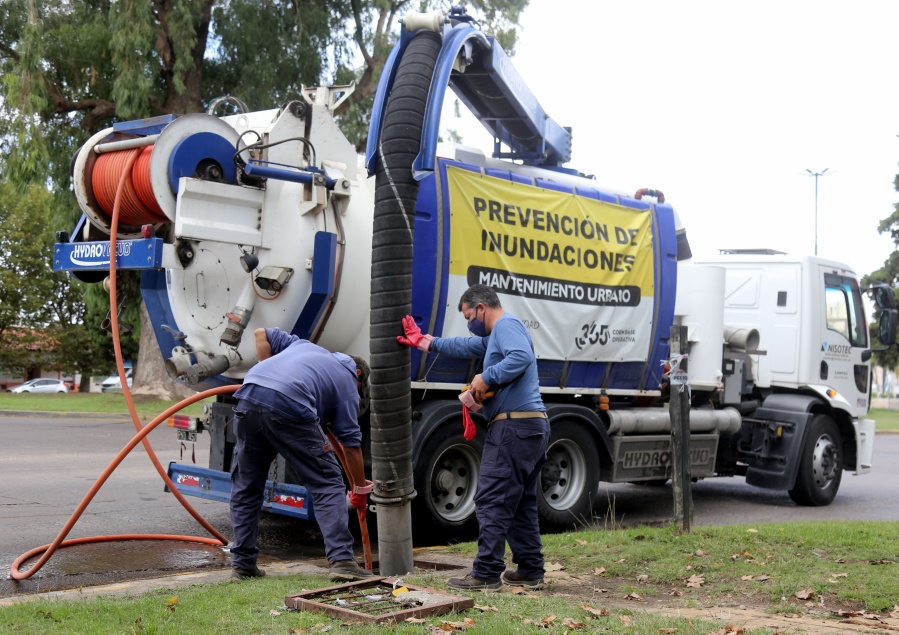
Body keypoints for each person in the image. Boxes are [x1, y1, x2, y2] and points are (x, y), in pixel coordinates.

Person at [397, 284, 550, 591]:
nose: (469, 323)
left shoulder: (506, 325)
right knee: (520, 502)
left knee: (492, 498)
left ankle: (486, 574)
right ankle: (531, 570)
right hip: (530, 427)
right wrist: (428, 342)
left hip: (514, 428)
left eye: (469, 316)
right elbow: (466, 346)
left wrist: (485, 377)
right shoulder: (496, 335)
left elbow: (521, 357)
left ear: (481, 308)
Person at [228, 327, 374, 582]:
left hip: (249, 396)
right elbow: (351, 446)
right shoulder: (349, 380)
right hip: (290, 405)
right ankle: (342, 561)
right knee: (328, 483)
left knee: (247, 487)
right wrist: (359, 490)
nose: (357, 391)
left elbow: (261, 333)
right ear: (358, 374)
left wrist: (269, 378)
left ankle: (243, 565)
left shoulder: (304, 346)